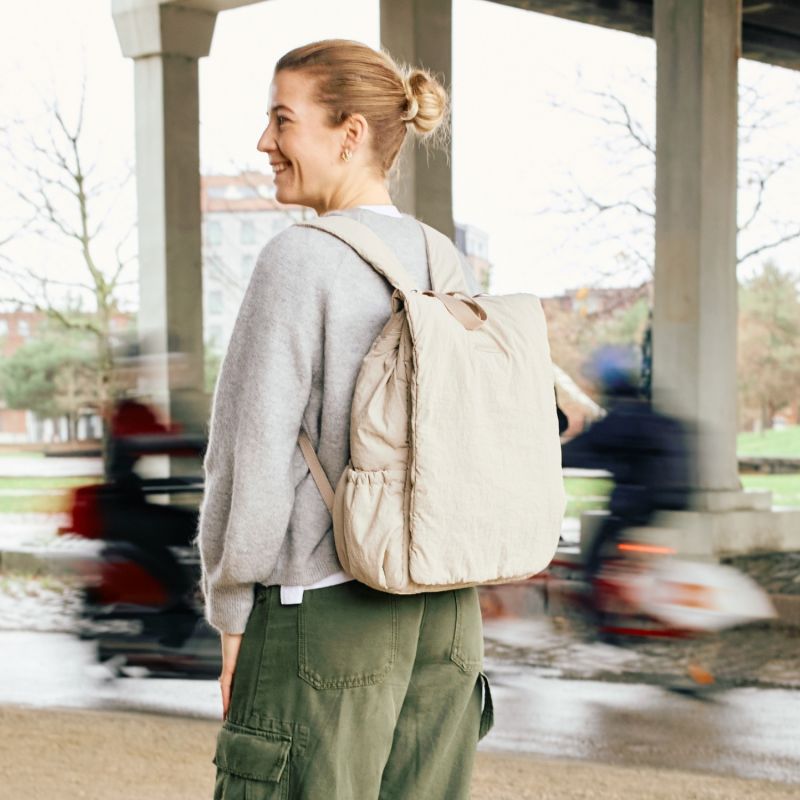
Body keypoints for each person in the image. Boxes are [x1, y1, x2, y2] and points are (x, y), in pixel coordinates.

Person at [194, 39, 490, 799]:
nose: (266, 142)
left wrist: (232, 615)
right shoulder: (440, 257)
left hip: (324, 610)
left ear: (350, 134)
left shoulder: (299, 260)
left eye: (282, 120)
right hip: (448, 614)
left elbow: (250, 456)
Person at [561, 346, 692, 595]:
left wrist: (553, 460)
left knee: (591, 567)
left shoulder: (621, 417)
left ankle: (604, 631)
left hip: (633, 509)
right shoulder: (649, 412)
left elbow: (580, 451)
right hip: (667, 508)